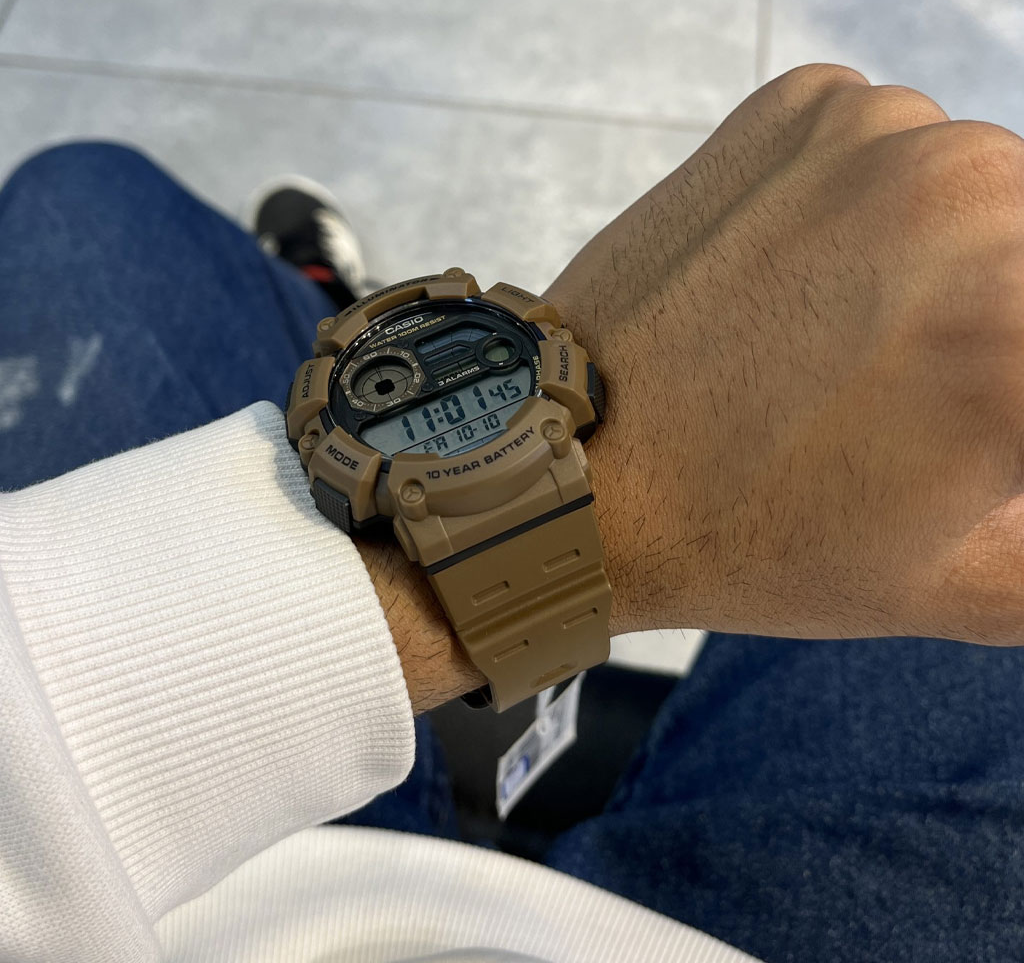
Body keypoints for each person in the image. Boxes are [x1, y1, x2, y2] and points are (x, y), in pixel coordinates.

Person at [3, 62, 1024, 963]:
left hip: (229, 902)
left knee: (82, 201)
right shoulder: (495, 410)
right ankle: (329, 324)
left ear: (556, 367)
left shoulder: (534, 382)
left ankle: (324, 313)